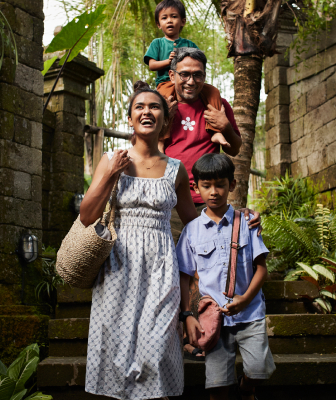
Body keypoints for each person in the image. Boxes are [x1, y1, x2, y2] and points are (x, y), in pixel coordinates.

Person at [78, 81, 199, 399]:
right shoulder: (111, 160)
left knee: (157, 351)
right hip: (117, 268)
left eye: (155, 106)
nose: (147, 111)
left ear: (164, 118)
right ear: (130, 118)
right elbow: (87, 216)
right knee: (116, 353)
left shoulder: (177, 170)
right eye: (140, 107)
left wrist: (236, 222)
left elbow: (195, 223)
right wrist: (109, 174)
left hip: (161, 268)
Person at [177, 153, 275, 400]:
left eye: (220, 184)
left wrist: (245, 299)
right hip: (214, 320)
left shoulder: (248, 222)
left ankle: (245, 388)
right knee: (217, 385)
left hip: (249, 314)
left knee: (259, 370)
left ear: (232, 185)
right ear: (195, 187)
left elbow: (261, 268)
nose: (214, 192)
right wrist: (188, 315)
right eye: (206, 185)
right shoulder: (191, 232)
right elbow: (185, 277)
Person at [162, 47, 244, 239]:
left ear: (204, 76)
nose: (191, 81)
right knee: (173, 260)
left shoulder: (218, 106)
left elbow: (234, 149)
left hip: (209, 199)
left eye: (198, 75)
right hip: (170, 199)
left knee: (209, 261)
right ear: (172, 76)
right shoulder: (162, 107)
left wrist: (225, 126)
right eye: (185, 75)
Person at [144, 0, 228, 147]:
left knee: (213, 92)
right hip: (165, 83)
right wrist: (167, 61)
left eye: (174, 16)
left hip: (188, 81)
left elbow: (199, 61)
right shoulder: (157, 43)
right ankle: (161, 140)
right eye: (164, 18)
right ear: (158, 24)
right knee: (163, 106)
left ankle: (215, 132)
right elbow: (151, 65)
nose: (169, 20)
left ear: (182, 21)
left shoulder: (190, 44)